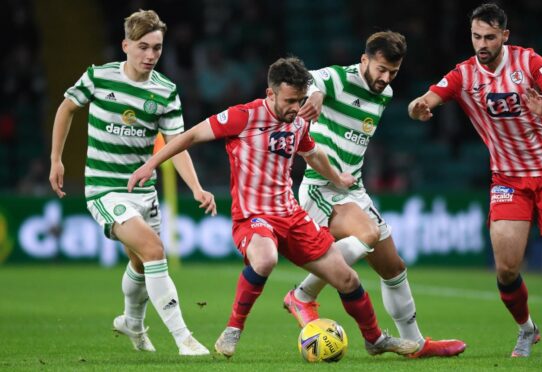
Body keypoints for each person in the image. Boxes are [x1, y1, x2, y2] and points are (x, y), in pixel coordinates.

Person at [128, 57, 420, 359]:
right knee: (265, 259)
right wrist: (150, 165)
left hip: (291, 216)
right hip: (253, 216)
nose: (296, 107)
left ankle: (374, 340)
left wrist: (337, 178)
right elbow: (188, 136)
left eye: (300, 100)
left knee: (348, 279)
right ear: (271, 94)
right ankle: (232, 330)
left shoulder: (299, 121)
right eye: (290, 100)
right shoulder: (243, 117)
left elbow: (313, 153)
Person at [408, 3, 542, 358]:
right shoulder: (464, 74)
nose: (482, 44)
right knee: (505, 269)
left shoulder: (529, 62)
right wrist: (418, 107)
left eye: (489, 37)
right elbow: (428, 97)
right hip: (508, 178)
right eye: (476, 37)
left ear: (505, 35)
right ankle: (526, 329)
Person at [282, 30, 467, 358]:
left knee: (393, 268)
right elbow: (309, 80)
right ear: (364, 60)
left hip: (354, 188)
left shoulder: (386, 93)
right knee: (366, 232)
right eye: (380, 69)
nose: (385, 78)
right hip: (321, 186)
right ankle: (302, 296)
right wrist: (315, 95)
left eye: (393, 72)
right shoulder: (340, 78)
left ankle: (415, 345)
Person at [49, 10, 215, 356]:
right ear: (126, 45)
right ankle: (184, 338)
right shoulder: (99, 77)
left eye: (157, 48)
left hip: (144, 192)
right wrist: (56, 158)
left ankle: (131, 323)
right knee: (154, 249)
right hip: (104, 189)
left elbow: (176, 144)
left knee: (142, 262)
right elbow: (66, 109)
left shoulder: (165, 91)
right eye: (143, 47)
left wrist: (197, 187)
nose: (151, 55)